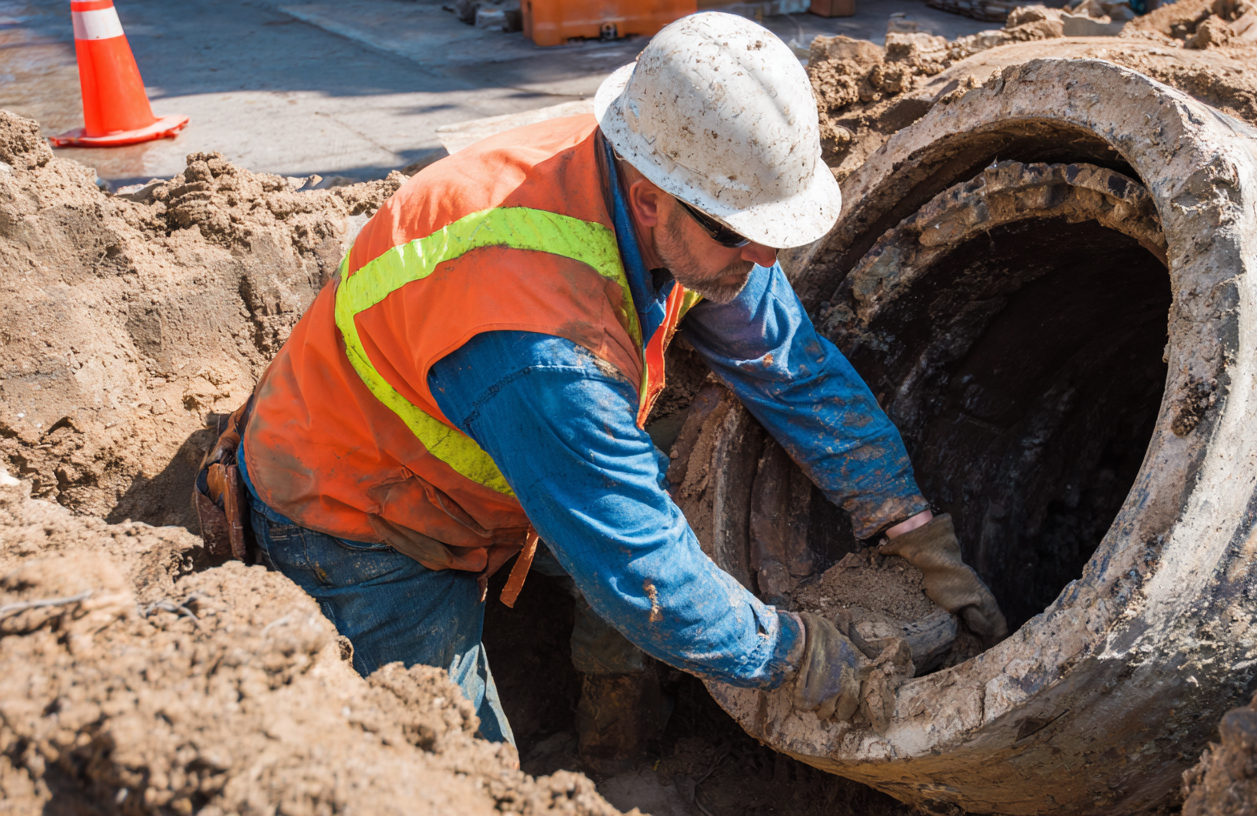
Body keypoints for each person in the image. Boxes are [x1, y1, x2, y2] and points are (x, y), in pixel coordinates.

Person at [227, 11, 1005, 771]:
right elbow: (642, 575)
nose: (765, 258)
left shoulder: (676, 176)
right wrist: (803, 662)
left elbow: (791, 368)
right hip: (361, 514)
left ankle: (615, 743)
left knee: (655, 529)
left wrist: (907, 524)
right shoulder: (538, 340)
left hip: (504, 457)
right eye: (741, 233)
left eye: (775, 230)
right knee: (457, 775)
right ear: (649, 202)